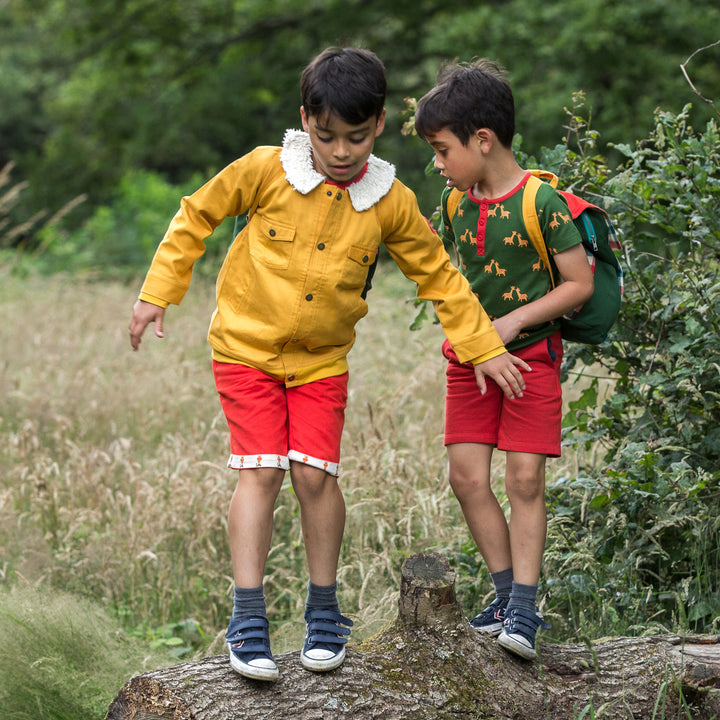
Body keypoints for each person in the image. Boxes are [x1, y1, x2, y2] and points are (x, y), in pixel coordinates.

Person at [128, 47, 530, 681]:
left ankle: (323, 612)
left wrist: (483, 346)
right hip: (245, 352)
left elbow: (441, 278)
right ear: (305, 121)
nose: (341, 152)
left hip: (320, 365)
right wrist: (157, 293)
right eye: (326, 137)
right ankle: (248, 617)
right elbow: (194, 216)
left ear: (376, 126)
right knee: (261, 472)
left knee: (314, 477)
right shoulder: (265, 170)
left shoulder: (390, 200)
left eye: (356, 137)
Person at [414, 59, 594, 660]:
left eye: (443, 150)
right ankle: (500, 595)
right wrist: (474, 339)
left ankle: (524, 607)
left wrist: (514, 321)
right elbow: (445, 280)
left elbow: (578, 284)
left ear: (482, 140)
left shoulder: (542, 201)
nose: (438, 164)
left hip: (529, 362)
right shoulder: (454, 203)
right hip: (469, 363)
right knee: (466, 479)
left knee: (523, 480)